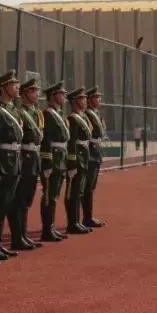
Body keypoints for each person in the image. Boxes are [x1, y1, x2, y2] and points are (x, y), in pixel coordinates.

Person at [0, 70, 24, 261]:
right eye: (13, 84)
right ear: (3, 88)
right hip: (4, 164)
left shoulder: (14, 111)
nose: (17, 87)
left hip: (15, 162)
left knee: (7, 204)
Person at [13, 76, 44, 250]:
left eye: (37, 90)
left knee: (27, 200)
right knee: (20, 200)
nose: (37, 93)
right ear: (24, 94)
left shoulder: (35, 113)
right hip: (25, 160)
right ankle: (18, 237)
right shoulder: (20, 113)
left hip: (34, 160)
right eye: (33, 90)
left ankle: (23, 235)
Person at [39, 82, 69, 242]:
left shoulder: (59, 114)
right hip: (53, 159)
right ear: (53, 96)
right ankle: (47, 229)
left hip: (61, 158)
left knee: (55, 196)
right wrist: (47, 163)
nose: (64, 96)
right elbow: (46, 141)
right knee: (49, 196)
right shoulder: (48, 114)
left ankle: (51, 227)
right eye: (61, 93)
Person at [64, 87, 93, 234]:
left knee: (79, 191)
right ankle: (72, 223)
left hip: (84, 156)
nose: (86, 100)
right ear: (75, 101)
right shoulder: (72, 119)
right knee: (73, 192)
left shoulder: (81, 117)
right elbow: (71, 143)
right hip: (77, 158)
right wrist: (72, 163)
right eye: (82, 98)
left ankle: (77, 221)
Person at [83, 87, 107, 228]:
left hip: (96, 152)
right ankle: (87, 217)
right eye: (96, 97)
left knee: (91, 186)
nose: (99, 100)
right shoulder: (87, 114)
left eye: (99, 97)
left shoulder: (97, 114)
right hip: (90, 153)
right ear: (90, 99)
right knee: (87, 187)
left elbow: (102, 131)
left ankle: (89, 216)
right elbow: (94, 132)